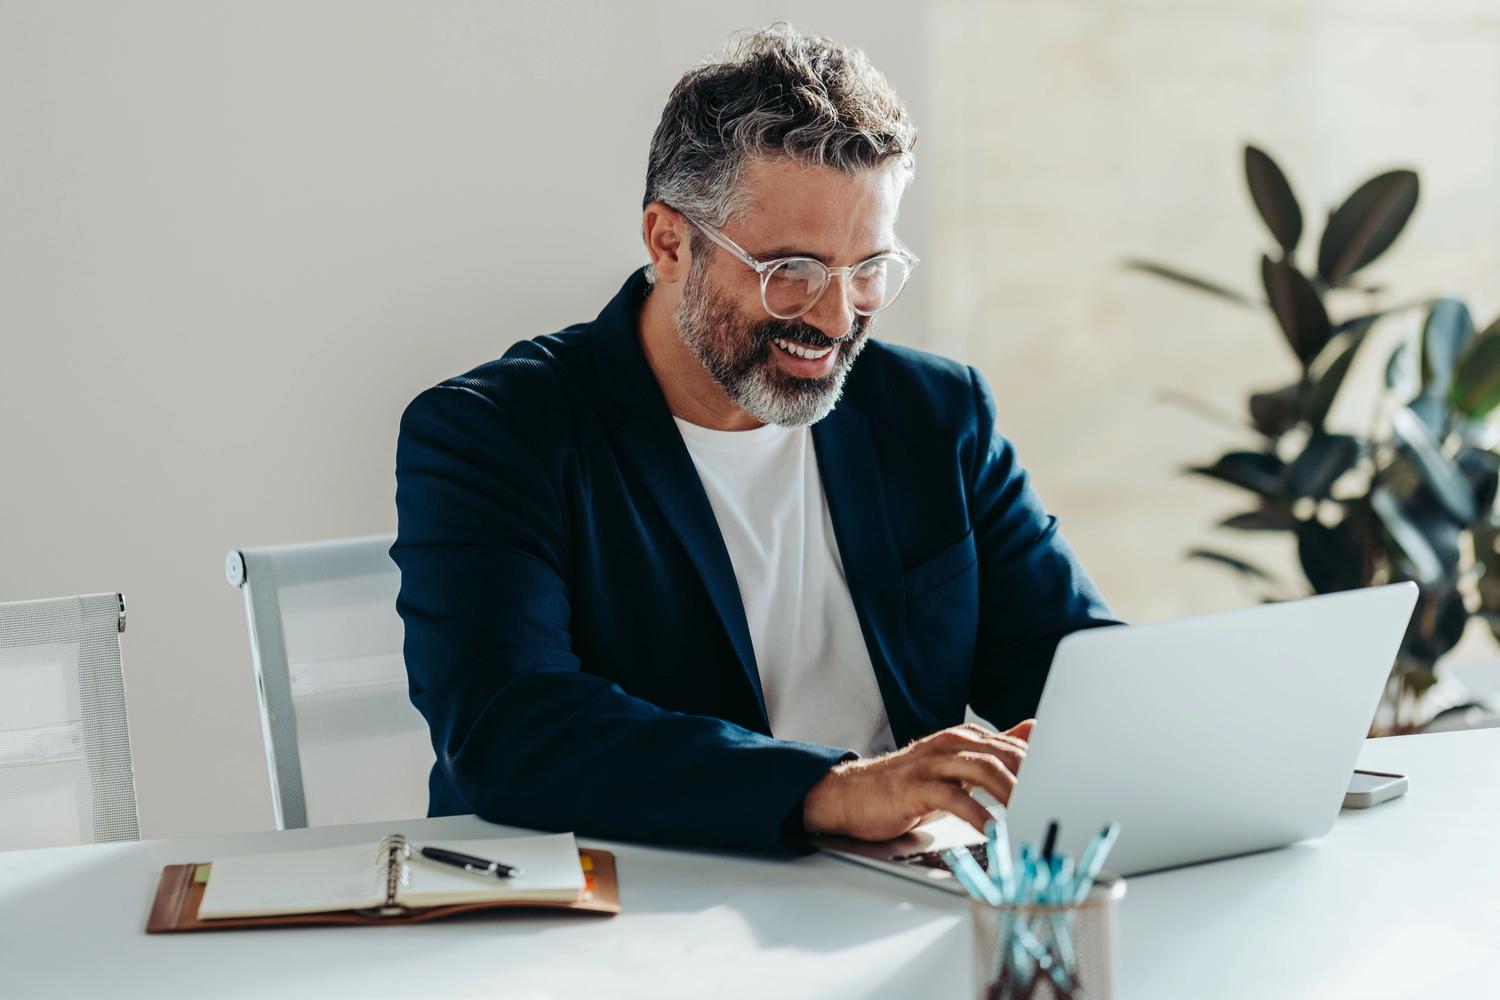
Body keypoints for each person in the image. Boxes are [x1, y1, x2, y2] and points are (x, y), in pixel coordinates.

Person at [391, 23, 1118, 853]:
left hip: (890, 905)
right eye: (792, 272)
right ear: (670, 243)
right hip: (612, 915)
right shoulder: (492, 433)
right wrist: (830, 790)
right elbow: (508, 729)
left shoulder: (935, 414)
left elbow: (1076, 675)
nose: (838, 317)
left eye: (868, 270)